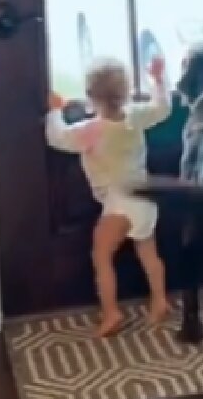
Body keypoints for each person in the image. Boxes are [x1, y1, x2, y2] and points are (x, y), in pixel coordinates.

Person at [47, 55, 173, 337]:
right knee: (149, 254)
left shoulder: (90, 131)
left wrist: (55, 111)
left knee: (102, 256)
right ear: (127, 91)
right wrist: (158, 79)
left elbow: (57, 138)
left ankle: (111, 312)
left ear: (90, 97)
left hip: (119, 204)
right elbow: (163, 108)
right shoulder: (136, 117)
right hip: (144, 197)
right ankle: (160, 300)